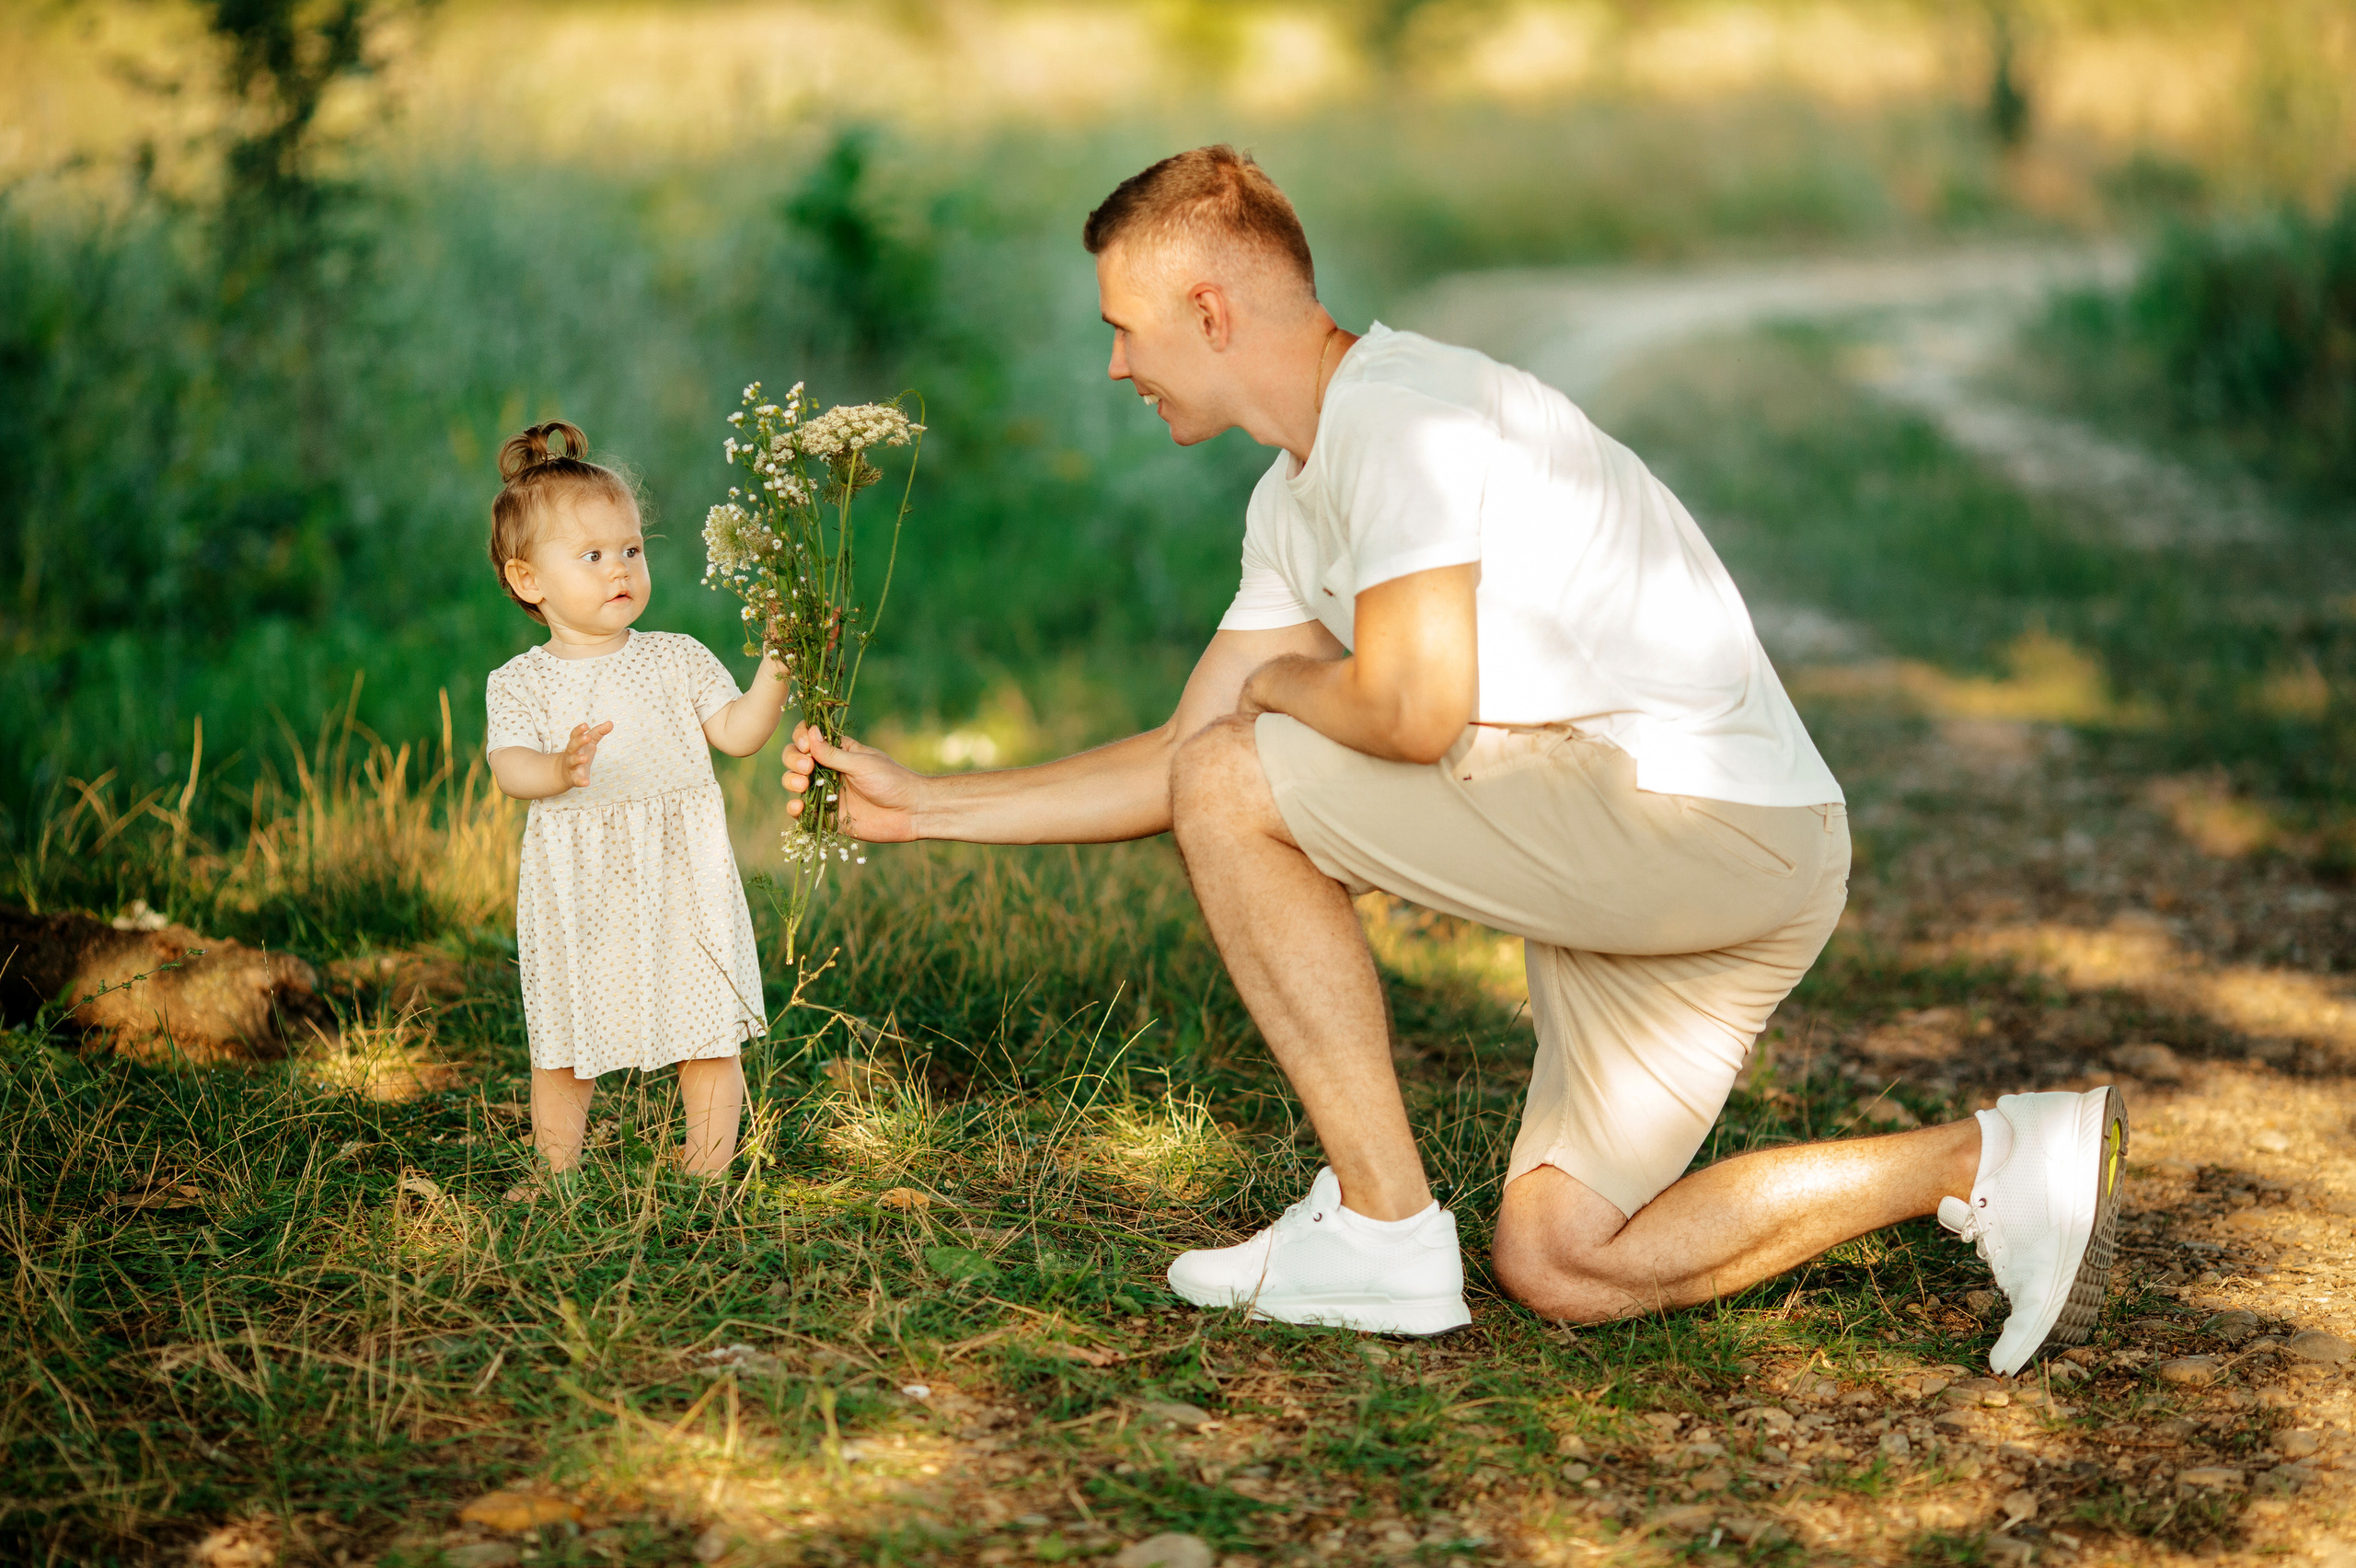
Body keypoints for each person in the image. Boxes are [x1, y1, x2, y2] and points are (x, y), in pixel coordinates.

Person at [780, 148, 2125, 1372]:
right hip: (1702, 864)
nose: (1119, 366)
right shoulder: (1293, 495)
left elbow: (1410, 711)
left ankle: (1381, 1227)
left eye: (1123, 329)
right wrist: (926, 804)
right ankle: (1996, 1157)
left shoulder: (1401, 419)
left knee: (1243, 770)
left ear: (1209, 310)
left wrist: (1286, 685)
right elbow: (1191, 754)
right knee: (1561, 1260)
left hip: (1702, 825)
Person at [484, 421, 784, 1194]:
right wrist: (559, 767)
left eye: (632, 549)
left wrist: (777, 669)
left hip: (682, 877)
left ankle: (706, 1172)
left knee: (707, 1030)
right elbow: (508, 766)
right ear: (528, 579)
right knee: (565, 1041)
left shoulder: (676, 656)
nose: (620, 567)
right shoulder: (520, 682)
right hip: (580, 890)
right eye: (592, 555)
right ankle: (558, 1172)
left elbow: (738, 732)